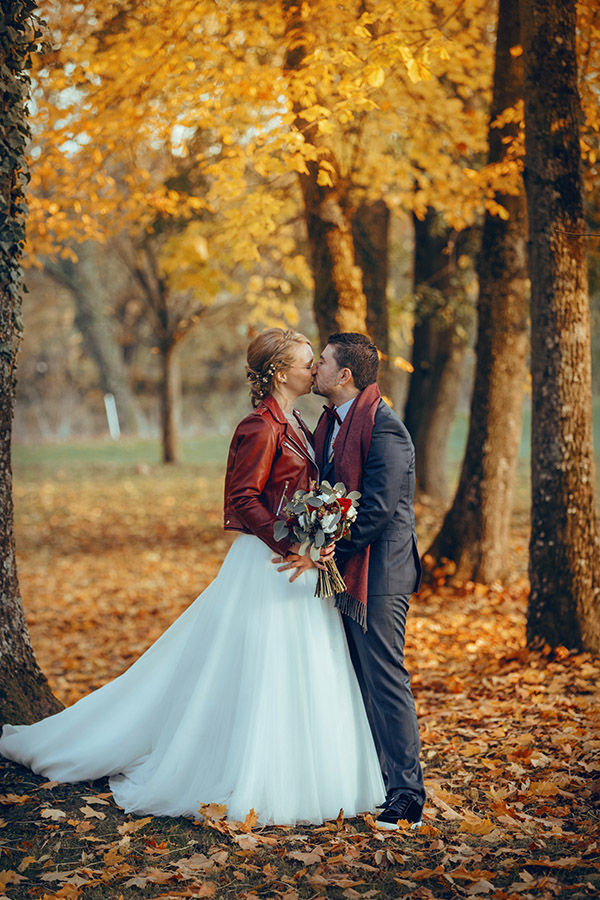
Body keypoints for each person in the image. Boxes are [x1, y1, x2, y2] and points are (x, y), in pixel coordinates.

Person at [0, 328, 385, 826]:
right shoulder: (259, 426)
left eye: (318, 363)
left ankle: (310, 776)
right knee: (261, 669)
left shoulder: (296, 419)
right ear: (279, 372)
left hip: (299, 565)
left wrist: (319, 533)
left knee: (300, 667)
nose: (316, 371)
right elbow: (242, 499)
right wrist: (291, 542)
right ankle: (244, 773)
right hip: (269, 564)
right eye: (308, 363)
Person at [277, 332, 425, 829]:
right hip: (348, 570)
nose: (314, 368)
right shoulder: (329, 423)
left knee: (384, 681)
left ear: (344, 375)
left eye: (321, 362)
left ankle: (408, 795)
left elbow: (380, 510)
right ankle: (376, 781)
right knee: (356, 680)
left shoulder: (385, 430)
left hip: (380, 575)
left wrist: (326, 550)